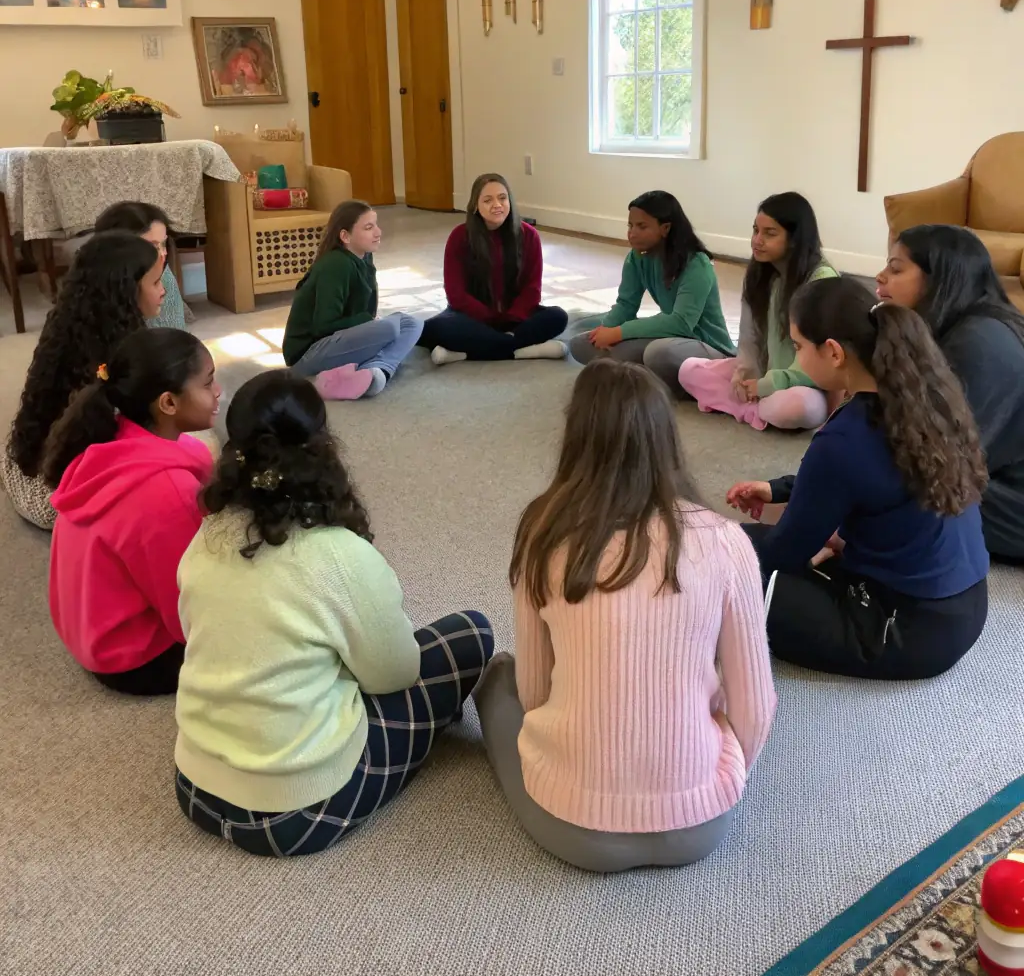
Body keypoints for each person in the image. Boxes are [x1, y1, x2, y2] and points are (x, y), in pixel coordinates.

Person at [173, 370, 493, 856]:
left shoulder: (205, 537)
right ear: (321, 447)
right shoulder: (340, 555)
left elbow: (198, 633)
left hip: (194, 786)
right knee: (471, 633)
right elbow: (394, 675)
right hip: (295, 815)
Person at [475, 358, 775, 873]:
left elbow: (534, 692)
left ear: (575, 438)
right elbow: (757, 707)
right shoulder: (727, 542)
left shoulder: (545, 534)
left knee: (496, 678)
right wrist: (704, 781)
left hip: (572, 826)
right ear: (667, 440)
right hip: (700, 826)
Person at [728, 277, 989, 681]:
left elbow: (786, 552)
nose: (796, 358)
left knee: (726, 577)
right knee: (739, 543)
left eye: (798, 347)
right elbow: (868, 478)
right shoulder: (928, 396)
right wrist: (779, 490)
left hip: (905, 629)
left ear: (832, 352)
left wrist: (800, 549)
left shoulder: (844, 437)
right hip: (964, 606)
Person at [45, 328, 220, 695]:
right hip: (134, 660)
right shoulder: (168, 493)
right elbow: (188, 613)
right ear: (168, 403)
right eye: (208, 383)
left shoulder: (113, 441)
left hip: (90, 633)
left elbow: (195, 454)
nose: (218, 392)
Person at [877, 224, 1024, 562]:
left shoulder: (978, 345)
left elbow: (943, 462)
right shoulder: (973, 325)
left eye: (896, 268)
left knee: (890, 495)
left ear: (940, 279)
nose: (880, 276)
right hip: (1001, 481)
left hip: (1013, 505)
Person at [1, 232, 166, 530]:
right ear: (124, 294)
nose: (163, 290)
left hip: (39, 459)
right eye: (156, 283)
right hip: (62, 492)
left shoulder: (69, 323)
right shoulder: (118, 358)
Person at [678, 192, 837, 430]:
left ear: (795, 239)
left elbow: (820, 361)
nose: (757, 240)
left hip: (804, 385)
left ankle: (753, 408)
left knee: (798, 407)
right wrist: (743, 377)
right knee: (688, 370)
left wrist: (765, 386)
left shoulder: (820, 281)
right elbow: (748, 339)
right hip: (765, 375)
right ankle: (756, 409)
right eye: (755, 230)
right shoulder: (761, 275)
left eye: (769, 234)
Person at [567, 190, 733, 391]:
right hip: (667, 336)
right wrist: (606, 330)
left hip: (704, 343)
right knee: (580, 344)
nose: (632, 232)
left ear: (665, 228)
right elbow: (626, 305)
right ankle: (644, 375)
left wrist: (619, 333)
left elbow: (681, 323)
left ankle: (664, 380)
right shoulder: (636, 257)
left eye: (641, 226)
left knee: (658, 354)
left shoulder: (697, 263)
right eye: (630, 225)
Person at [419, 174, 568, 364]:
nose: (497, 204)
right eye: (488, 200)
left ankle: (466, 353)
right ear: (475, 206)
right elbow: (456, 294)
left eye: (502, 198)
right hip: (472, 318)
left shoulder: (529, 235)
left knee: (558, 317)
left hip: (516, 318)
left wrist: (511, 318)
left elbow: (532, 289)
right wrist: (490, 319)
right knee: (432, 328)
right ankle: (521, 349)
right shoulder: (459, 237)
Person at [282, 201, 423, 400]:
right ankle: (371, 368)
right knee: (389, 329)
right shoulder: (336, 265)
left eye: (376, 224)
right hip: (307, 353)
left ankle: (377, 374)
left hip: (339, 340)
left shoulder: (364, 256)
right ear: (345, 236)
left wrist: (368, 323)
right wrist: (368, 322)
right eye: (368, 227)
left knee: (413, 323)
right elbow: (323, 327)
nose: (378, 232)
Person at [94, 200, 188, 330]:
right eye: (152, 246)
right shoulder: (93, 287)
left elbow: (175, 338)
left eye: (164, 244)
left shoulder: (163, 277)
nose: (163, 254)